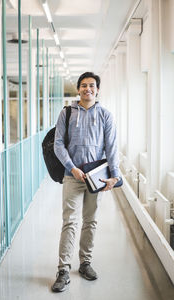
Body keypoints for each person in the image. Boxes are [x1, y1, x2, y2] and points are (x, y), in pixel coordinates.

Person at [52, 72, 120, 292]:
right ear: (78, 89)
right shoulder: (67, 113)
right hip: (72, 176)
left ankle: (85, 263)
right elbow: (58, 144)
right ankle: (63, 270)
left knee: (90, 221)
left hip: (96, 178)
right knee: (69, 222)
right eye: (83, 85)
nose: (87, 89)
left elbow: (111, 147)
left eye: (91, 85)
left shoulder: (105, 115)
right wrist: (72, 168)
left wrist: (115, 176)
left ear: (97, 89)